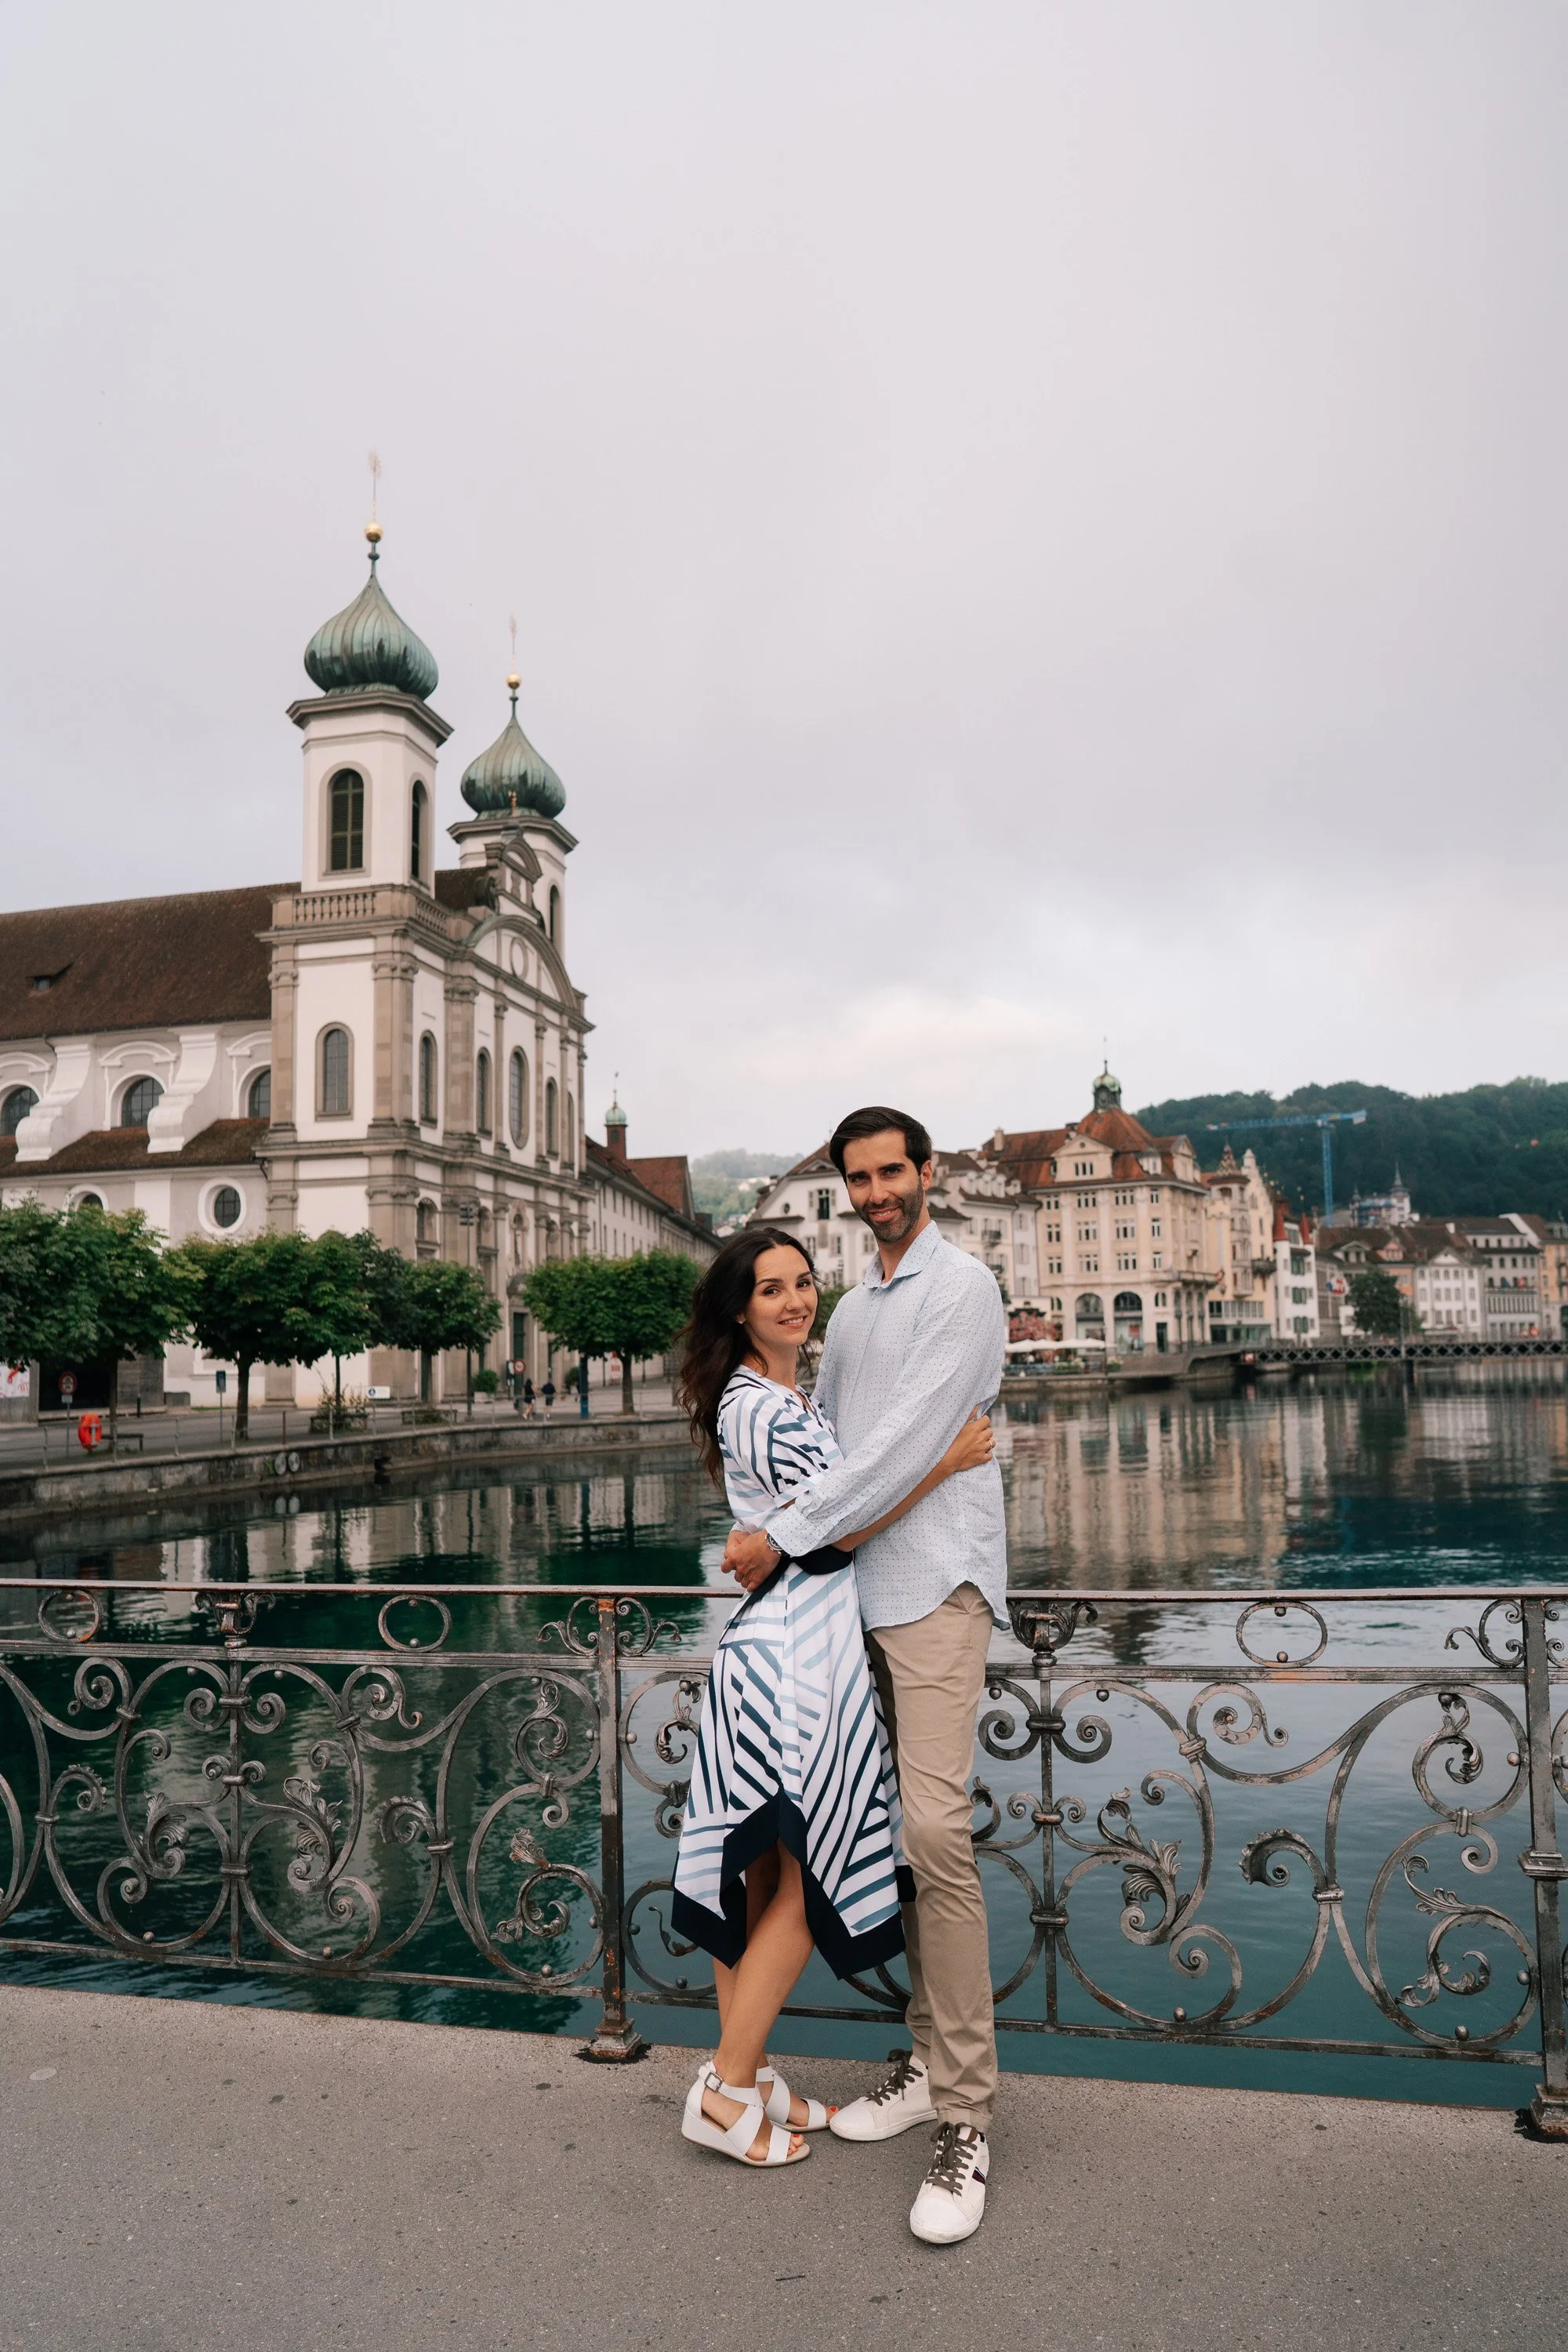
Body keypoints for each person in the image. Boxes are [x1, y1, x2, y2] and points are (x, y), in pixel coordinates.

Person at [722, 1107, 1007, 2243]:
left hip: (932, 1586)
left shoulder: (961, 1289)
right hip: (847, 1596)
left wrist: (781, 1536)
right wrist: (784, 1528)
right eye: (860, 1177)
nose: (878, 1191)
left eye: (893, 1171)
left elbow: (898, 1449)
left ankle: (967, 2115)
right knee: (881, 1840)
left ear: (926, 1173)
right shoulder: (851, 1311)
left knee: (934, 1834)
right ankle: (926, 2065)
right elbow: (839, 1455)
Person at [671, 1226, 994, 2170]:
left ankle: (744, 2075)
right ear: (739, 1310)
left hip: (781, 1644)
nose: (795, 1301)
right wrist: (942, 1463)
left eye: (803, 1282)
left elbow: (809, 1516)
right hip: (796, 1659)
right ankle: (724, 2092)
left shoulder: (776, 1395)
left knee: (760, 1872)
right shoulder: (761, 1407)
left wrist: (776, 1531)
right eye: (770, 1289)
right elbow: (837, 1528)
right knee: (812, 1877)